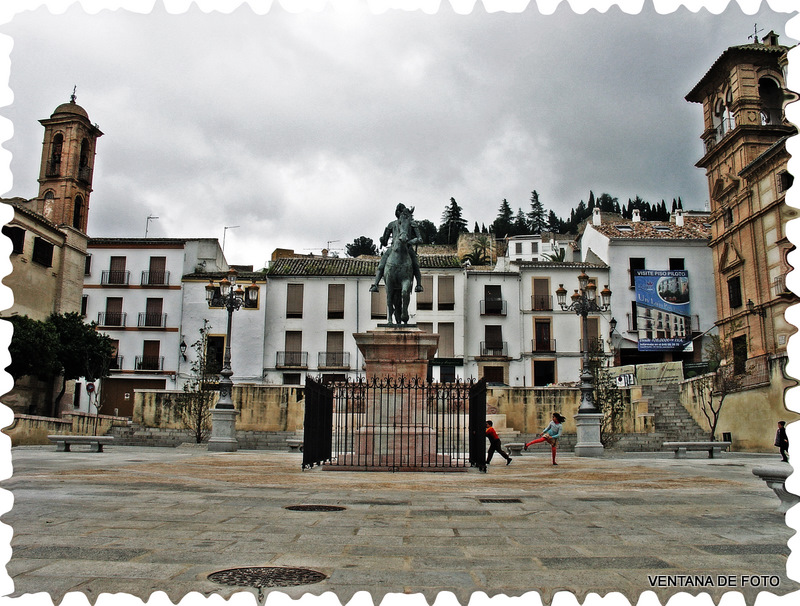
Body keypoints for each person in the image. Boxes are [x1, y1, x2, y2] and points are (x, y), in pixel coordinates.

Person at [369, 203, 424, 293]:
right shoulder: (391, 224)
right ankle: (375, 284)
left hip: (408, 248)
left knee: (415, 265)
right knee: (381, 265)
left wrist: (410, 242)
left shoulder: (411, 224)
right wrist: (382, 240)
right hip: (393, 248)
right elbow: (385, 242)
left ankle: (418, 285)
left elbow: (420, 239)